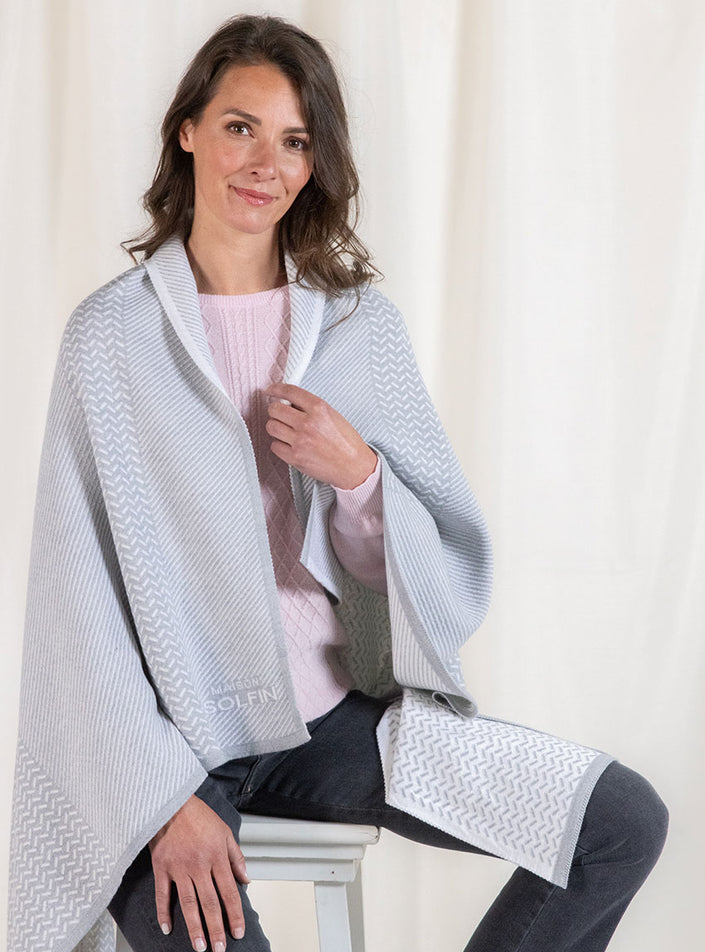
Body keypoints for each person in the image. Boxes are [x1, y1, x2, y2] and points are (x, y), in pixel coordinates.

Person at [8, 13, 668, 952]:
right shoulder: (111, 338)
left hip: (325, 724)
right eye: (240, 127)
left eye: (295, 141)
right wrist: (162, 802)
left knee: (621, 824)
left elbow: (433, 574)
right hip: (164, 747)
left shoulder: (360, 329)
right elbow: (75, 604)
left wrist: (358, 476)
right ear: (187, 130)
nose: (265, 163)